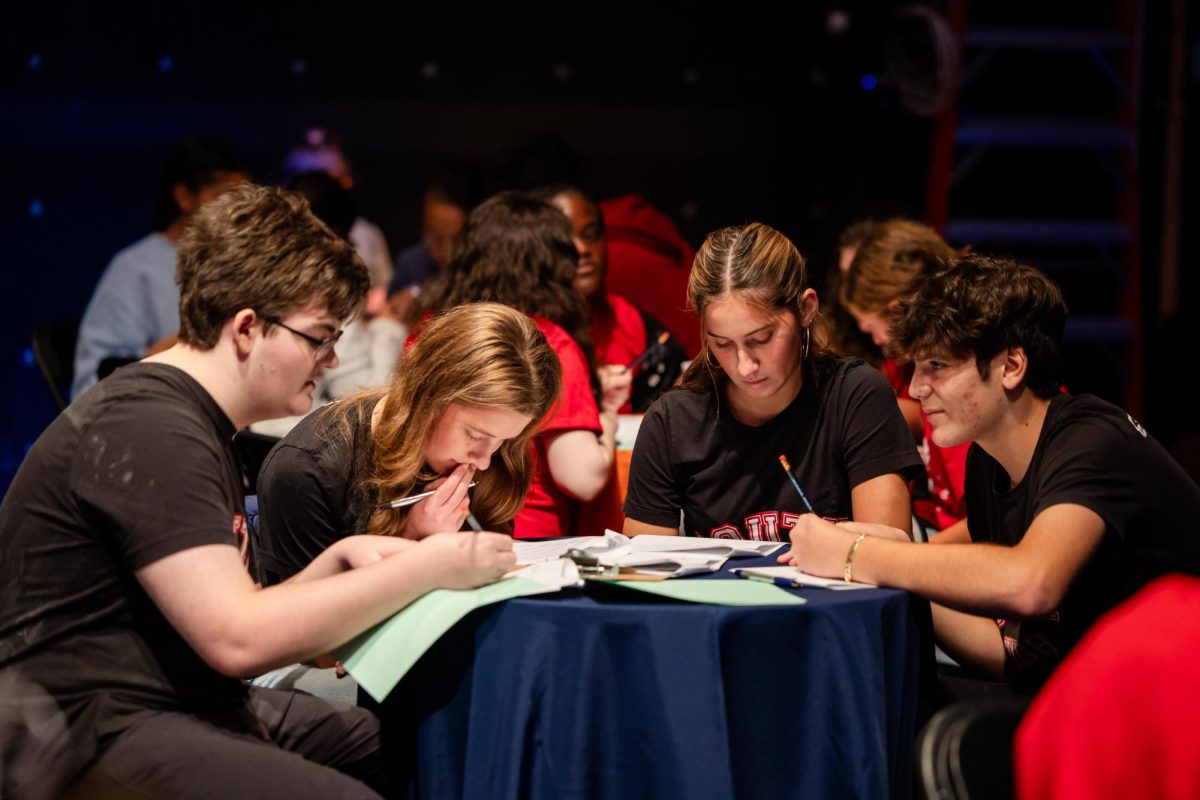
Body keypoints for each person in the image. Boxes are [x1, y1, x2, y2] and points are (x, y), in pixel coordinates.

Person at [0, 184, 516, 798]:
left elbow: (221, 615)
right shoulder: (150, 426)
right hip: (83, 732)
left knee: (428, 750)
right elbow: (237, 638)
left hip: (173, 706)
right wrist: (431, 565)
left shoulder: (192, 422)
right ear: (247, 328)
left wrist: (339, 561)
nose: (329, 361)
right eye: (319, 336)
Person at [785, 254, 1200, 692]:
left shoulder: (1092, 441)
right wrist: (884, 565)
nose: (915, 388)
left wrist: (858, 556)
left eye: (937, 366)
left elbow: (1031, 583)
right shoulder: (989, 458)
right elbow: (1019, 654)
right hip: (1110, 693)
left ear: (1011, 366)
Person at [623, 222, 922, 540]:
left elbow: (890, 556)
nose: (744, 366)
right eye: (722, 343)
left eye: (762, 338)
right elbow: (644, 572)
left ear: (806, 309)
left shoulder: (856, 396)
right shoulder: (672, 422)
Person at [254, 302, 562, 584]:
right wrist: (414, 542)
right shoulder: (305, 469)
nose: (483, 460)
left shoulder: (496, 451)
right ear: (427, 398)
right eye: (475, 435)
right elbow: (303, 626)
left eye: (503, 440)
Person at [422, 191, 630, 538]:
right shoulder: (544, 342)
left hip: (430, 529)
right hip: (528, 538)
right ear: (551, 268)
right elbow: (582, 477)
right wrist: (607, 414)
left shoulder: (432, 329)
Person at [72, 135, 249, 398]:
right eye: (223, 197)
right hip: (160, 410)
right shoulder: (135, 268)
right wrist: (182, 349)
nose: (236, 211)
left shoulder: (247, 263)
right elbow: (93, 385)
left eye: (244, 199)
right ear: (183, 197)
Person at [841, 219, 972, 531]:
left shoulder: (963, 386)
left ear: (897, 311)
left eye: (872, 330)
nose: (915, 388)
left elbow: (985, 522)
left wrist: (903, 554)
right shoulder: (912, 368)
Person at [543, 185, 687, 412]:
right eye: (562, 240)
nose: (582, 249)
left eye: (591, 235)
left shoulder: (630, 320)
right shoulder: (524, 326)